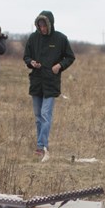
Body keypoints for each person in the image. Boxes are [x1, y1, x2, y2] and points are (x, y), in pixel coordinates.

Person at [23, 10, 75, 161]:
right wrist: (31, 62)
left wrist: (59, 65)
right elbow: (26, 56)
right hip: (36, 81)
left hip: (51, 82)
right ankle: (42, 145)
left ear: (50, 24)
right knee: (38, 117)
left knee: (46, 115)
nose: (42, 29)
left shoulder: (60, 38)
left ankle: (41, 146)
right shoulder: (33, 38)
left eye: (44, 26)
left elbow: (70, 57)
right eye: (39, 26)